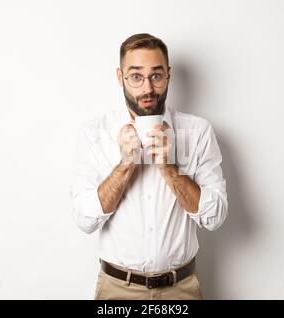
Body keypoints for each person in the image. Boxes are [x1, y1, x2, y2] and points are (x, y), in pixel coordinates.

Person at [70, 33, 228, 300]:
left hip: (182, 289)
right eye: (136, 77)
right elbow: (85, 220)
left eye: (156, 76)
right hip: (118, 289)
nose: (147, 89)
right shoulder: (94, 133)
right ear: (120, 77)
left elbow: (214, 217)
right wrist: (125, 165)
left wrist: (169, 168)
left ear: (168, 75)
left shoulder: (197, 131)